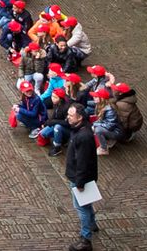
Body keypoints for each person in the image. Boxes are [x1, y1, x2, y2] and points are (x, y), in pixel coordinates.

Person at [64, 102, 99, 250]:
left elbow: (83, 162)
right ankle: (92, 224)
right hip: (85, 176)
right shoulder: (81, 130)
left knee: (81, 207)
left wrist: (79, 182)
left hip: (80, 178)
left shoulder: (83, 136)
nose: (68, 118)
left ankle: (86, 239)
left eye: (71, 116)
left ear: (79, 118)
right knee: (87, 203)